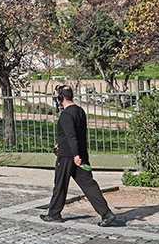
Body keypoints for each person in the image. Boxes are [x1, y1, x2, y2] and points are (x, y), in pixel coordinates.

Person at [41, 85, 117, 227]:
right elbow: (75, 134)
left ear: (60, 97)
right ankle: (106, 214)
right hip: (80, 153)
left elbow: (71, 136)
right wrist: (64, 145)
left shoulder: (66, 114)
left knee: (60, 184)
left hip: (68, 156)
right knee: (89, 185)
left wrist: (74, 154)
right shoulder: (80, 111)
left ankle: (54, 214)